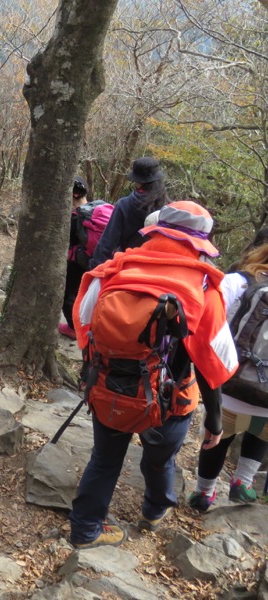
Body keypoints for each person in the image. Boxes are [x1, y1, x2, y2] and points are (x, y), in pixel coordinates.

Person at [68, 200, 238, 549]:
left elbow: (84, 324)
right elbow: (211, 364)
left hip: (109, 387)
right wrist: (215, 421)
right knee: (160, 462)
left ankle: (85, 530)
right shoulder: (205, 289)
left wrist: (97, 369)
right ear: (200, 243)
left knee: (104, 460)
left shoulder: (116, 270)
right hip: (169, 399)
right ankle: (154, 510)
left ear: (156, 230)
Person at [189, 242, 268, 511]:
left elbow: (205, 312)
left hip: (229, 383)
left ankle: (204, 493)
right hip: (266, 396)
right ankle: (242, 483)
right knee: (261, 434)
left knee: (218, 437)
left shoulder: (240, 280)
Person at [89, 157, 170, 269]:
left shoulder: (125, 204)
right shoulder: (168, 206)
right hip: (158, 265)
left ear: (137, 181)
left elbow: (108, 241)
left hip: (128, 264)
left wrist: (96, 267)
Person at [59, 176, 90, 340]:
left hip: (77, 262)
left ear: (75, 194)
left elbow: (68, 241)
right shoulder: (95, 210)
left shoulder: (76, 217)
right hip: (93, 261)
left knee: (67, 297)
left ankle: (74, 329)